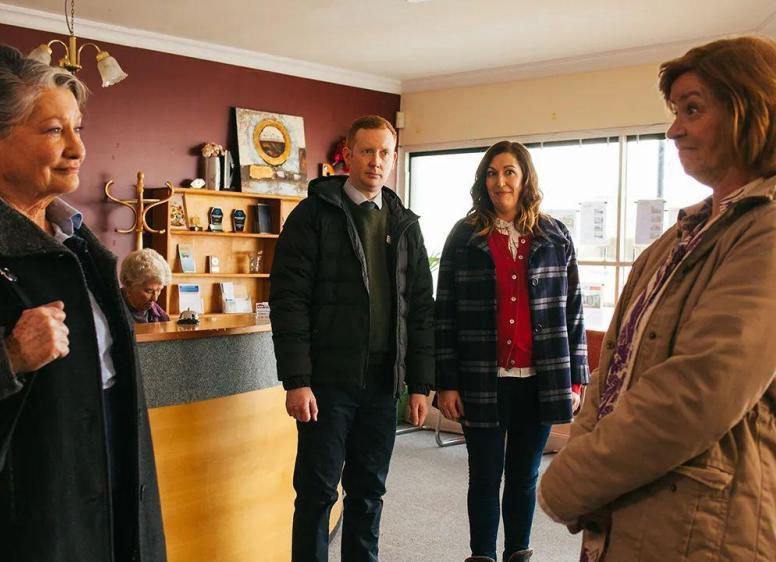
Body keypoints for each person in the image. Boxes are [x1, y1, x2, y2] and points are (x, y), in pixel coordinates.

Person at [539, 36, 776, 562]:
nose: (674, 130)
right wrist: (583, 461)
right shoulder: (681, 236)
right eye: (674, 111)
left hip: (705, 527)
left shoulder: (767, 230)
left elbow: (699, 391)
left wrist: (571, 480)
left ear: (750, 110)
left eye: (693, 109)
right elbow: (614, 370)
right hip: (632, 514)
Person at [0, 46, 166, 561]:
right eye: (54, 130)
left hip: (113, 457)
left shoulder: (79, 242)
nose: (78, 149)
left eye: (78, 128)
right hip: (36, 497)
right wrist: (11, 357)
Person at [269, 115, 435, 561]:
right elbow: (289, 302)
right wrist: (297, 380)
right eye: (367, 151)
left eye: (384, 153)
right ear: (347, 154)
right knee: (317, 493)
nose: (375, 161)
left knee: (368, 492)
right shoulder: (312, 216)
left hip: (383, 385)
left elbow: (421, 309)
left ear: (394, 159)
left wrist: (420, 384)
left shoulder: (404, 223)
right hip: (327, 384)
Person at [435, 140, 589, 562]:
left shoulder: (555, 236)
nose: (499, 181)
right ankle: (482, 556)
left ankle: (518, 554)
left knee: (524, 477)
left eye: (508, 172)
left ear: (524, 179)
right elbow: (444, 313)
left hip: (540, 380)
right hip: (480, 379)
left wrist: (576, 380)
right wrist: (446, 383)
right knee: (484, 478)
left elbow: (574, 311)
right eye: (491, 173)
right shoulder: (464, 236)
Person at [120, 247, 172, 323]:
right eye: (149, 291)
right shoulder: (109, 311)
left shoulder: (160, 316)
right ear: (128, 284)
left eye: (159, 290)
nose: (155, 299)